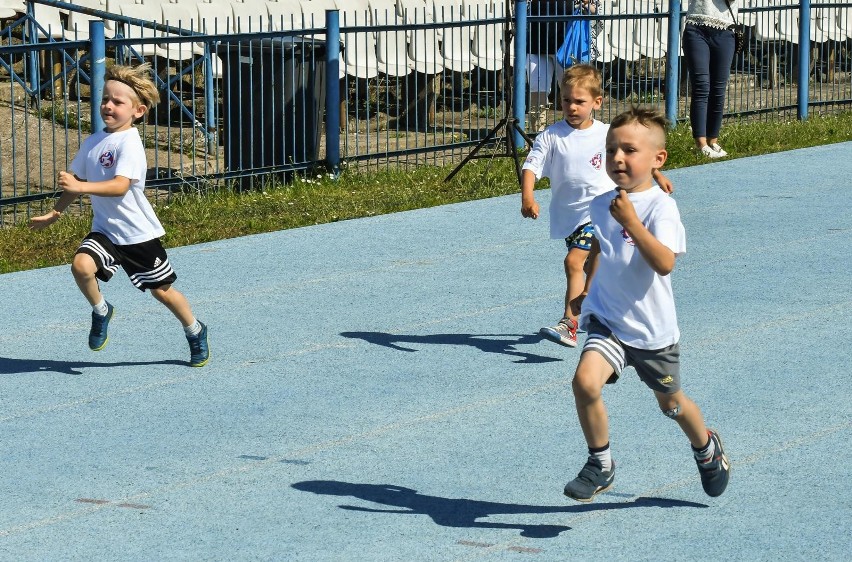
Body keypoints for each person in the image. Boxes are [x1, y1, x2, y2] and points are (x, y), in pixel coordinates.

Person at [562, 106, 730, 502]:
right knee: (584, 382)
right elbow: (605, 250)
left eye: (630, 150)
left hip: (652, 331)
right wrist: (588, 288)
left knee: (671, 405)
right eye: (611, 150)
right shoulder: (602, 203)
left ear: (658, 159)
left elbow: (664, 263)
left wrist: (633, 224)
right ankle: (600, 464)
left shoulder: (660, 208)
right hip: (609, 320)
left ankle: (706, 448)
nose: (618, 158)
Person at [29, 63, 210, 368]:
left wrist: (82, 185)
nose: (108, 106)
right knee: (81, 266)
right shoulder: (93, 142)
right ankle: (101, 310)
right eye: (105, 99)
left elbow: (120, 186)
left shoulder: (131, 143)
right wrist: (55, 213)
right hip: (106, 231)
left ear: (138, 111)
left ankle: (195, 330)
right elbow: (76, 183)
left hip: (137, 235)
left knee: (163, 293)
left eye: (117, 102)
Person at [520, 64, 672, 349]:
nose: (572, 107)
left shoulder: (606, 134)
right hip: (570, 217)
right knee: (592, 265)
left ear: (597, 102)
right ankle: (604, 311)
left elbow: (630, 158)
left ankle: (570, 322)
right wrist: (528, 197)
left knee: (573, 262)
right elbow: (531, 166)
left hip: (603, 210)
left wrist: (656, 173)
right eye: (566, 100)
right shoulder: (550, 136)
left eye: (580, 102)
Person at [526, 1, 598, 132]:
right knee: (537, 92)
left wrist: (586, 5)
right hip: (535, 43)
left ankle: (578, 132)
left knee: (575, 91)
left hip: (567, 46)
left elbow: (595, 9)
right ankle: (537, 136)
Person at [681, 0, 738, 158]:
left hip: (725, 29)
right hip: (696, 27)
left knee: (718, 89)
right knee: (701, 86)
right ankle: (701, 144)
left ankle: (712, 140)